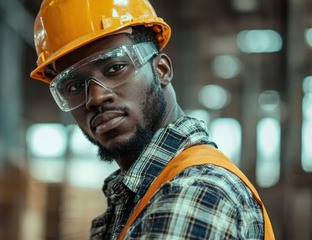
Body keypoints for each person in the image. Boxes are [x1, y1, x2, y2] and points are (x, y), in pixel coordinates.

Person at [30, 0, 275, 239]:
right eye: (73, 86)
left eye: (115, 68)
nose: (95, 97)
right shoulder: (142, 195)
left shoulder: (195, 196)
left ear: (162, 70)